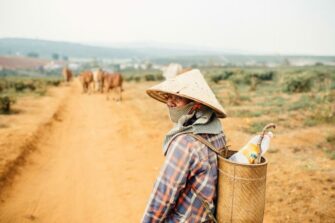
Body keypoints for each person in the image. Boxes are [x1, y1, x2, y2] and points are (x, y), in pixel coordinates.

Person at [142, 69, 227, 222]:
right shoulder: (218, 133)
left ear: (196, 104)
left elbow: (163, 196)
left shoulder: (184, 143)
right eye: (168, 96)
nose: (169, 102)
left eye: (178, 98)